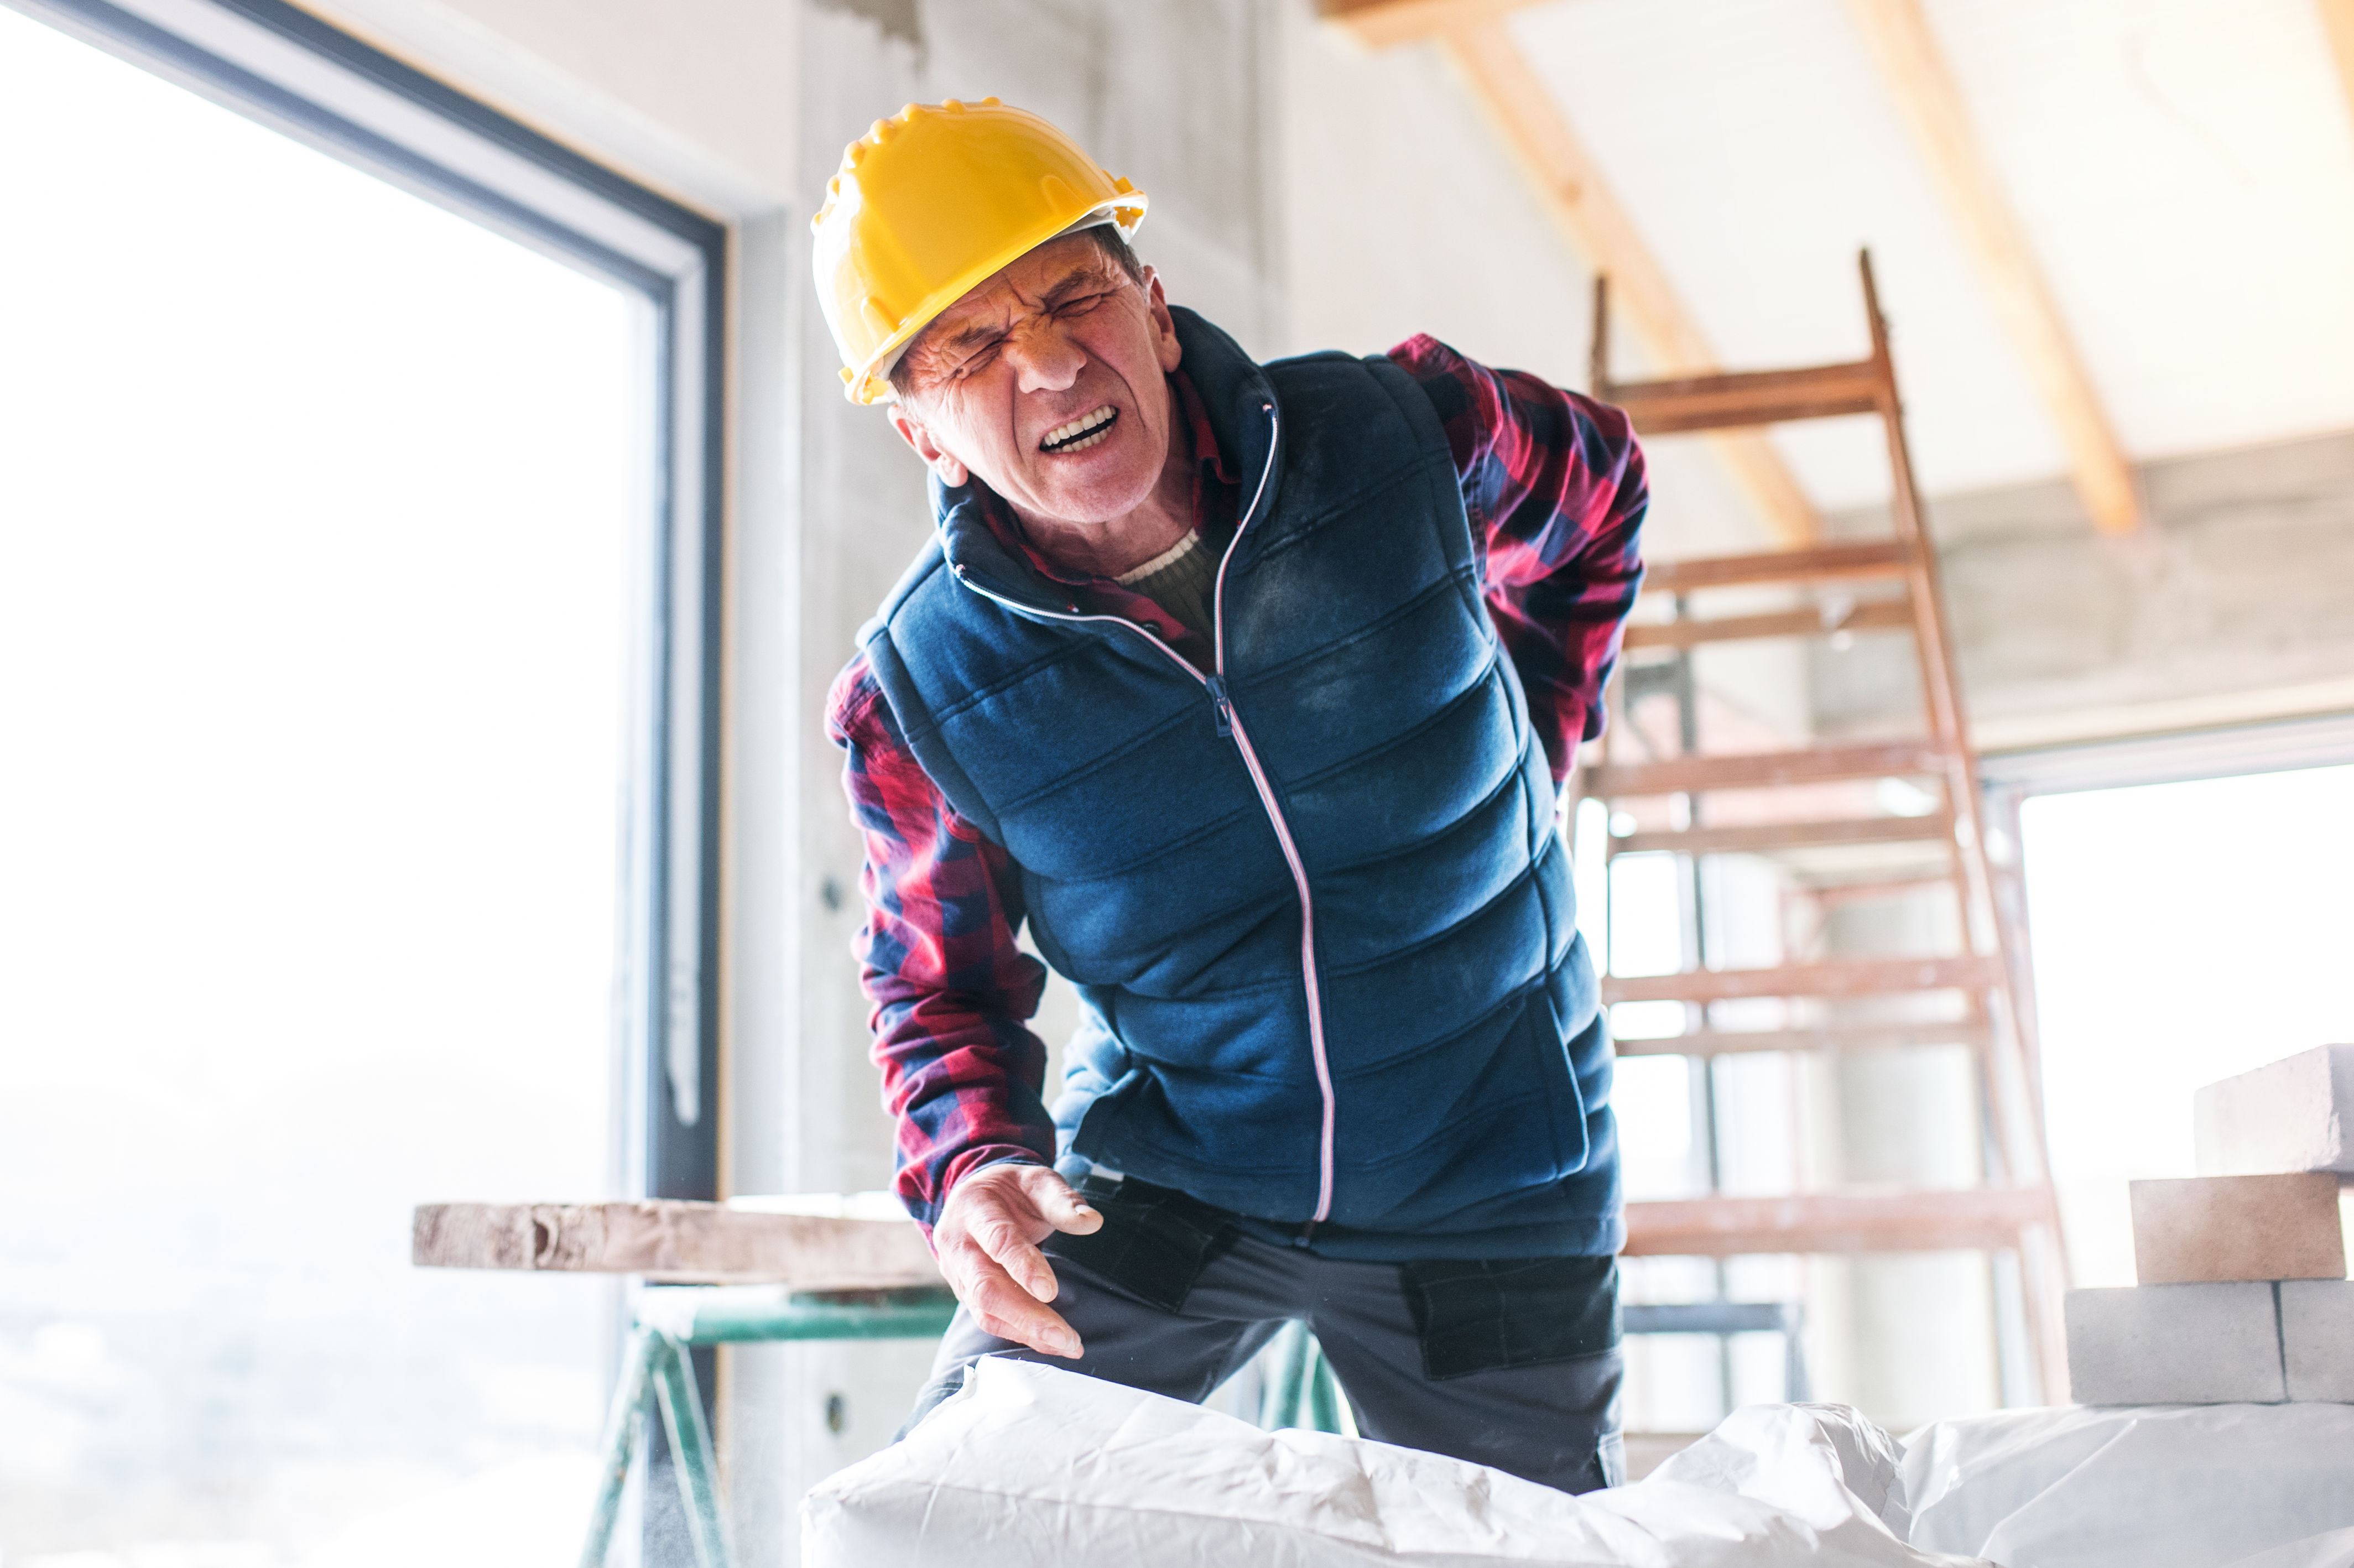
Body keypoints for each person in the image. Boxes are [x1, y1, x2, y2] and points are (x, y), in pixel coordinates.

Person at [816, 98, 1647, 1492]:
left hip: (1496, 1164)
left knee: (1539, 1548)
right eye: (968, 346)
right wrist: (972, 1167)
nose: (1048, 360)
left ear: (1149, 299)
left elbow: (1598, 494)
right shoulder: (917, 695)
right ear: (924, 436)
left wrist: (1534, 730)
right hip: (1173, 1172)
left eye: (1071, 292)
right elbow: (935, 988)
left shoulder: (1407, 436)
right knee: (945, 1514)